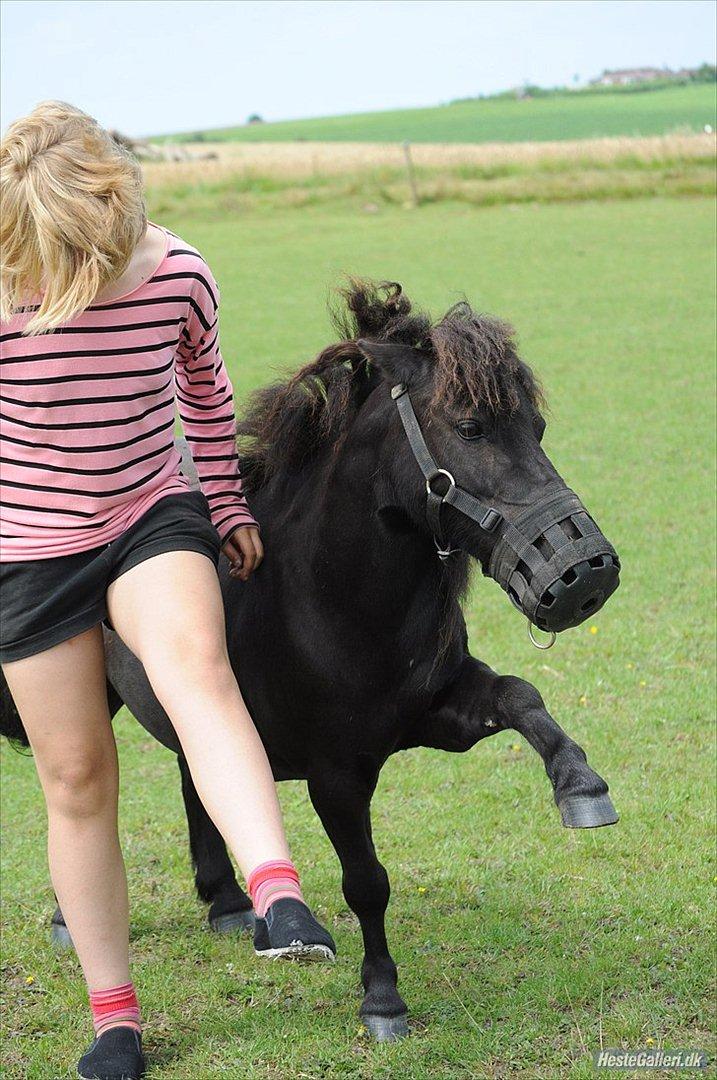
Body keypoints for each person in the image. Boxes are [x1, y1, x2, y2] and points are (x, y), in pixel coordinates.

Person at [0, 102, 335, 1080]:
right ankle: (117, 1025)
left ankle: (277, 893)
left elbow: (204, 392)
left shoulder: (177, 273)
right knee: (76, 779)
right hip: (29, 545)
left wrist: (227, 506)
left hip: (150, 510)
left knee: (198, 672)